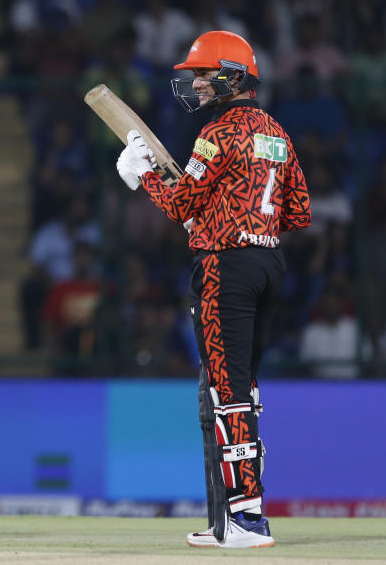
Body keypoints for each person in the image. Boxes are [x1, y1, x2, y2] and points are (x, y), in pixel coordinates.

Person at [115, 30, 311, 548]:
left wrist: (143, 178)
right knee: (242, 390)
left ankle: (246, 520)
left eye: (204, 74)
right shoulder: (276, 132)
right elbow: (298, 211)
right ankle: (235, 517)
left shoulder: (218, 133)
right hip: (268, 263)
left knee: (228, 395)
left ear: (232, 76)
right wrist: (240, 221)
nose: (196, 84)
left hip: (226, 270)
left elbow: (180, 205)